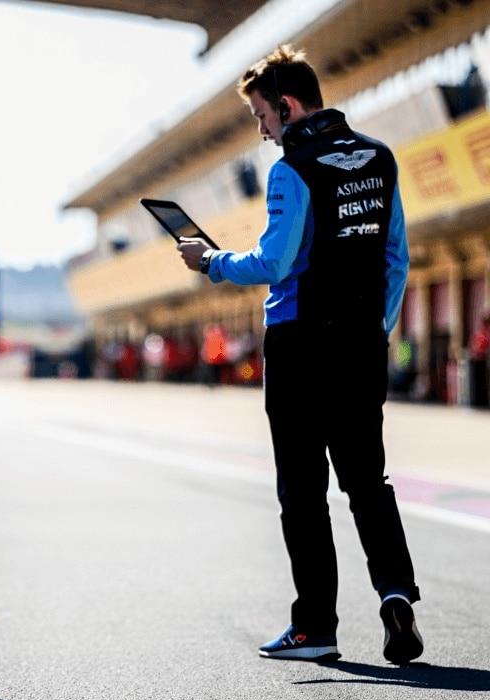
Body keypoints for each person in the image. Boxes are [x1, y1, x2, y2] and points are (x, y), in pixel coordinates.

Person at [176, 45, 423, 664]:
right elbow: (398, 260)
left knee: (304, 490)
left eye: (262, 116)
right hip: (363, 346)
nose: (261, 130)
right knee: (368, 481)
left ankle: (316, 628)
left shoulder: (292, 169)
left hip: (300, 346)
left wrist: (211, 262)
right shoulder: (380, 158)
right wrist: (376, 329)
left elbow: (275, 263)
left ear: (287, 107)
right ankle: (396, 597)